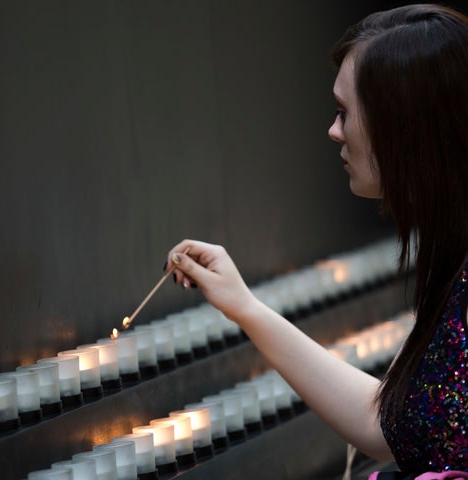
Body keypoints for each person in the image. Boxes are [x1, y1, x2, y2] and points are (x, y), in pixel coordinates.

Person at [167, 4, 468, 478]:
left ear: (404, 126)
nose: (333, 131)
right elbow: (386, 425)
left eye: (345, 113)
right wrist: (244, 306)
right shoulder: (451, 259)